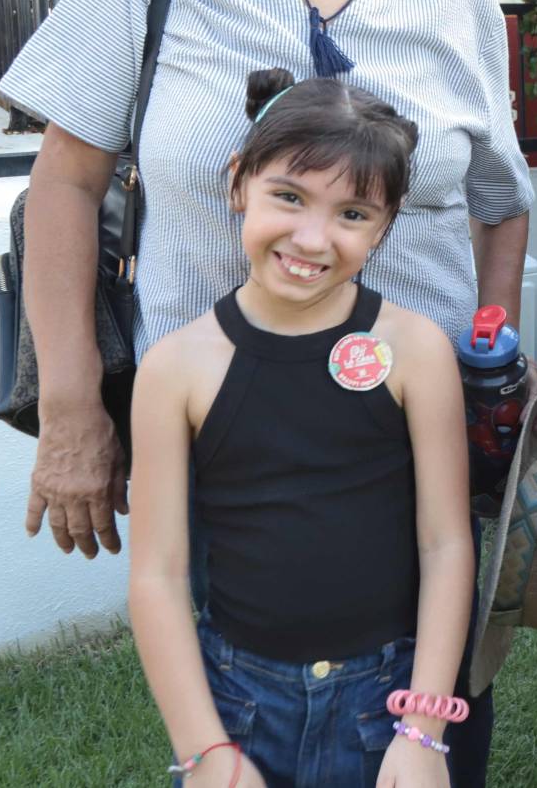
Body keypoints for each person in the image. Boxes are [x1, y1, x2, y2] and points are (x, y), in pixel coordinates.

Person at [0, 0, 533, 781]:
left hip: (414, 445)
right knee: (239, 725)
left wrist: (482, 366)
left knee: (427, 741)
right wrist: (70, 409)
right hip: (220, 453)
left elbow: (499, 202)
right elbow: (64, 185)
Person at [130, 68, 471, 788]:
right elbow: (158, 575)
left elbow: (445, 545)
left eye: (352, 213)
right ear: (237, 184)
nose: (312, 237)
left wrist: (424, 730)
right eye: (288, 196)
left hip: (389, 702)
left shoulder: (416, 350)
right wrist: (207, 751)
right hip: (239, 704)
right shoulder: (174, 369)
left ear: (386, 224)